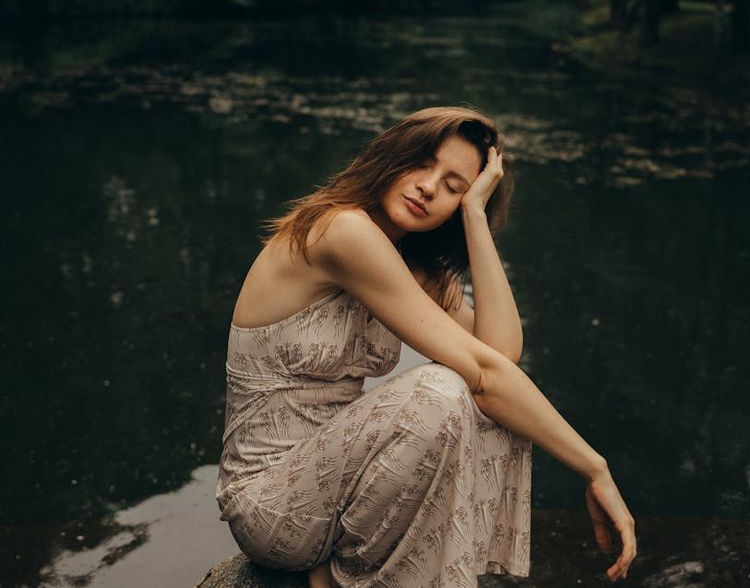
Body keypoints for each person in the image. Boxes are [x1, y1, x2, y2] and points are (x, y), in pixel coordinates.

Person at [215, 105, 637, 587]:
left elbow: (500, 352)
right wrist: (595, 469)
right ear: (391, 158)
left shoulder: (412, 265)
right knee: (442, 390)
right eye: (421, 164)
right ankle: (343, 579)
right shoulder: (341, 231)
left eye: (454, 187)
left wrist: (475, 217)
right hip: (270, 505)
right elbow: (485, 373)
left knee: (496, 405)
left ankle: (347, 576)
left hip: (334, 493)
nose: (429, 187)